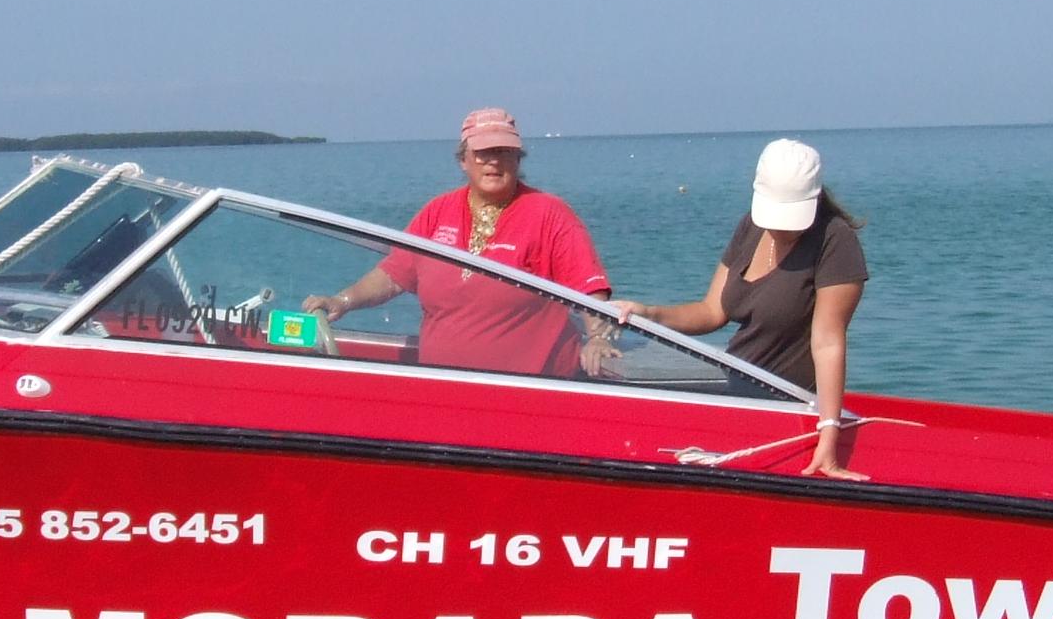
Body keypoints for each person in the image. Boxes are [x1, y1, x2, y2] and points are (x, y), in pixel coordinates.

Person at [615, 138, 867, 474]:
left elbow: (828, 342)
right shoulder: (751, 226)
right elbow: (712, 311)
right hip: (735, 392)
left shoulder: (835, 241)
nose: (780, 227)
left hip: (783, 408)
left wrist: (828, 435)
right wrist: (649, 314)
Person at [305, 108, 612, 377]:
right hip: (446, 386)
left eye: (504, 151)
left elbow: (588, 288)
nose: (493, 161)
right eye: (483, 152)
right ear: (463, 160)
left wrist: (598, 338)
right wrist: (341, 301)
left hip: (529, 390)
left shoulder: (549, 213)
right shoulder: (437, 211)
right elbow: (394, 273)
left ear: (518, 159)